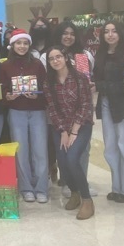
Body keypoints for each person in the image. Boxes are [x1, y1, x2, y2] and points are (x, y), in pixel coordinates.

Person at [44, 46, 95, 220]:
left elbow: (86, 105)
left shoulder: (79, 78)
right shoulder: (49, 82)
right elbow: (52, 109)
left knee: (73, 158)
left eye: (58, 56)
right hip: (60, 127)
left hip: (82, 125)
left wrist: (73, 131)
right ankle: (74, 193)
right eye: (51, 59)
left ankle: (86, 200)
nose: (56, 60)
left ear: (65, 58)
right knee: (63, 162)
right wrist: (63, 130)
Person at [93, 21, 124, 204]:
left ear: (120, 34)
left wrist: (99, 85)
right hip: (106, 103)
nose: (110, 35)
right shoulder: (101, 55)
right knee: (111, 147)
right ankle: (117, 187)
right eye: (106, 31)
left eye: (114, 31)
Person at [0, 29, 48, 203]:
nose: (22, 46)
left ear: (29, 45)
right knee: (21, 151)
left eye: (25, 43)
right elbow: (3, 88)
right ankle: (26, 187)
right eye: (18, 43)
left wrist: (38, 95)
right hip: (16, 111)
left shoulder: (37, 64)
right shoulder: (5, 65)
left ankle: (41, 188)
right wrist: (8, 96)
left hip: (37, 110)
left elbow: (45, 85)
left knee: (40, 150)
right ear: (12, 45)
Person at [52, 21, 96, 196]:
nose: (68, 37)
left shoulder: (84, 55)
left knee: (83, 148)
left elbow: (91, 77)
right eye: (64, 33)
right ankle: (68, 184)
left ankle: (82, 181)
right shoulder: (51, 54)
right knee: (63, 147)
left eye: (72, 33)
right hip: (60, 110)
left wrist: (92, 85)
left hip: (82, 108)